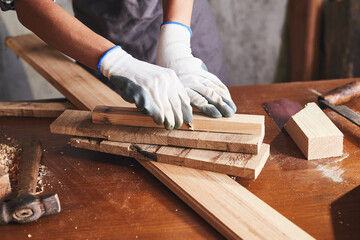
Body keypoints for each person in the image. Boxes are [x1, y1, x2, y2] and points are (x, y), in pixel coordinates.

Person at [1, 0, 236, 130]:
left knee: (211, 120)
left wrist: (177, 43)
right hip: (97, 37)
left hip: (183, 21)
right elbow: (28, 3)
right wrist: (116, 63)